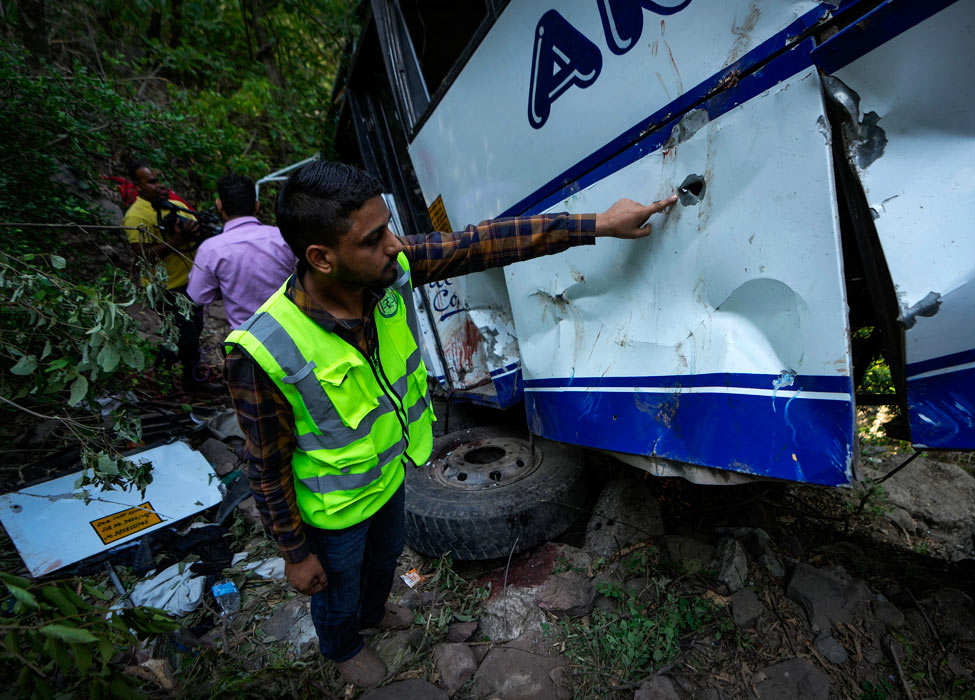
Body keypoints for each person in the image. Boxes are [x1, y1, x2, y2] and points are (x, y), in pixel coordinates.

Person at [224, 160, 676, 687]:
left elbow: (483, 243)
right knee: (336, 586)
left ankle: (372, 615)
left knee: (386, 561)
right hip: (334, 512)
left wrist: (596, 224)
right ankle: (342, 643)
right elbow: (266, 465)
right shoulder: (263, 349)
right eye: (374, 239)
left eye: (389, 227)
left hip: (394, 475)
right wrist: (294, 553)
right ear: (321, 258)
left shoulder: (390, 273)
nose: (395, 244)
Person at [122, 159, 208, 391]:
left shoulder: (173, 206)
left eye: (159, 180)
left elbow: (198, 231)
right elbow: (143, 255)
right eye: (151, 181)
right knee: (185, 338)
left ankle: (186, 380)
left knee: (191, 334)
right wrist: (176, 241)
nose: (159, 185)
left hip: (192, 283)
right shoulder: (135, 216)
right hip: (165, 287)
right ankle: (165, 376)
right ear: (137, 185)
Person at [186, 173, 296, 328]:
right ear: (257, 206)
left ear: (219, 205)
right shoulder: (284, 237)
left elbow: (197, 296)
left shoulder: (211, 249)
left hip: (246, 341)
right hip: (290, 330)